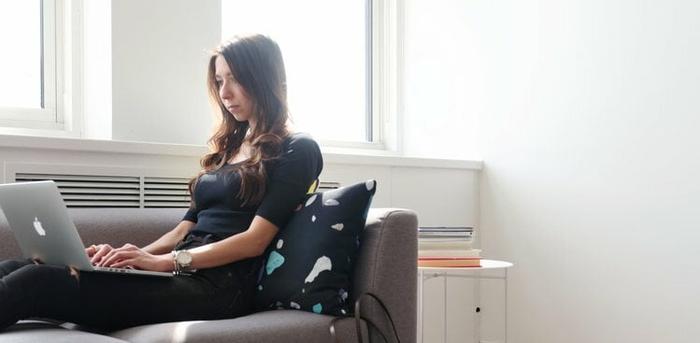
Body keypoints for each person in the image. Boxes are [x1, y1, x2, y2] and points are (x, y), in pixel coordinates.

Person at [0, 34, 323, 331]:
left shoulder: (297, 149)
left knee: (38, 280)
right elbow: (184, 230)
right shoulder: (229, 149)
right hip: (182, 271)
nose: (224, 93)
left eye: (235, 79)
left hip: (221, 288)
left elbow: (255, 240)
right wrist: (127, 257)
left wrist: (165, 262)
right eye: (220, 80)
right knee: (17, 265)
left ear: (263, 78)